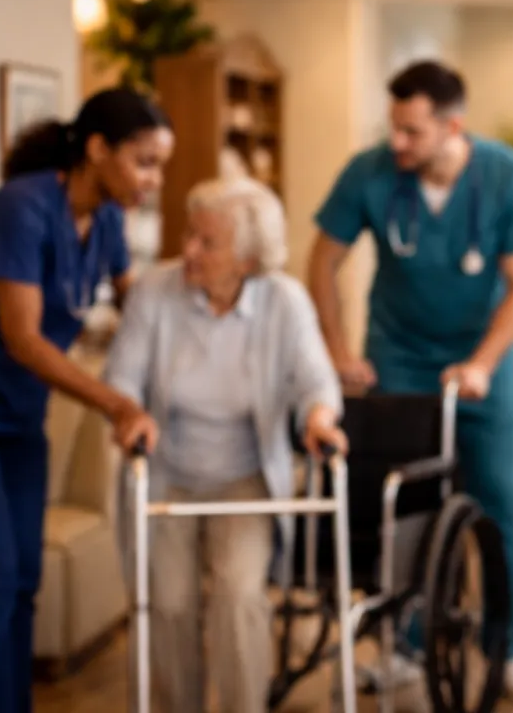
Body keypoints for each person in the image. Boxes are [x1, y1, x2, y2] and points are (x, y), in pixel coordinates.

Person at [308, 59, 513, 705]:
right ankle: (406, 649)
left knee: (500, 504)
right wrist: (338, 352)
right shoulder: (370, 174)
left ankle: (509, 648)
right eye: (394, 128)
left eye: (412, 131)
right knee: (406, 505)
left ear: (453, 126)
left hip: (483, 363)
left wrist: (481, 362)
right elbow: (322, 261)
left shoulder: (506, 176)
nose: (398, 143)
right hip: (398, 358)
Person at [0, 87, 174, 713]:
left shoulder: (108, 220)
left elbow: (136, 306)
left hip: (16, 411)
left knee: (23, 577)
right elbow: (23, 339)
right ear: (98, 149)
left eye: (161, 166)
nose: (154, 179)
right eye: (144, 161)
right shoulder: (22, 208)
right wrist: (117, 404)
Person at [105, 174, 347, 713]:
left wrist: (319, 419)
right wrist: (130, 415)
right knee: (168, 604)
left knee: (239, 597)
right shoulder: (154, 292)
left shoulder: (285, 301)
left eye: (206, 242)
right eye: (189, 235)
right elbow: (121, 377)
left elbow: (317, 382)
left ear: (247, 258)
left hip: (245, 478)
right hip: (167, 470)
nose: (188, 250)